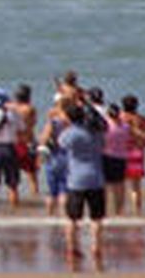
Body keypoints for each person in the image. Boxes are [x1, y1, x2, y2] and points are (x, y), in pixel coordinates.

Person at [59, 101, 107, 261]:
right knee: (97, 218)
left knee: (72, 219)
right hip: (96, 178)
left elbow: (61, 144)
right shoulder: (97, 132)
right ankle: (96, 247)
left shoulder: (70, 133)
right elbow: (103, 146)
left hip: (76, 180)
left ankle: (72, 249)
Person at [120, 94, 145, 215]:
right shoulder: (141, 119)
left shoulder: (120, 118)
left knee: (121, 185)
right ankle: (137, 211)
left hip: (123, 152)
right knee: (136, 186)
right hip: (138, 152)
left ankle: (120, 211)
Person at [39, 99, 71, 217]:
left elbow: (43, 140)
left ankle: (49, 217)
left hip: (53, 156)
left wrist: (40, 156)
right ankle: (64, 216)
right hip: (68, 157)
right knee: (64, 190)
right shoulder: (71, 122)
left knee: (52, 191)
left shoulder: (53, 122)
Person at [11, 83, 40, 195]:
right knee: (32, 176)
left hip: (14, 142)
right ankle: (34, 197)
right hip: (28, 142)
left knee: (13, 175)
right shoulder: (30, 109)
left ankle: (15, 201)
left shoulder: (11, 107)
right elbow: (33, 123)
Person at [102, 103, 131, 214]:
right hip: (121, 158)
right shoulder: (125, 127)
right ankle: (119, 210)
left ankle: (104, 210)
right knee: (119, 186)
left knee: (104, 185)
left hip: (106, 156)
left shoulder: (105, 126)